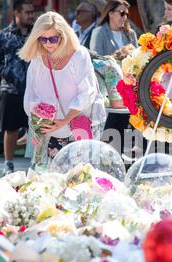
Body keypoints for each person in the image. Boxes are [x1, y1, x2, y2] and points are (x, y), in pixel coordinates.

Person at [19, 11, 104, 166]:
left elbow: (87, 93)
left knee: (81, 177)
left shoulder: (79, 55)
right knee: (53, 180)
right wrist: (35, 127)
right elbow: (30, 98)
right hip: (52, 131)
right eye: (43, 39)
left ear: (63, 36)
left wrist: (65, 120)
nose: (48, 43)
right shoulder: (37, 60)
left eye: (53, 38)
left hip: (80, 126)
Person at [0, 0, 35, 176]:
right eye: (27, 12)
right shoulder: (3, 35)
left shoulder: (38, 35)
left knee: (36, 128)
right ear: (16, 13)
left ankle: (35, 163)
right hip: (11, 89)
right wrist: (7, 74)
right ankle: (8, 164)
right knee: (11, 129)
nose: (31, 15)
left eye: (32, 12)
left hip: (35, 90)